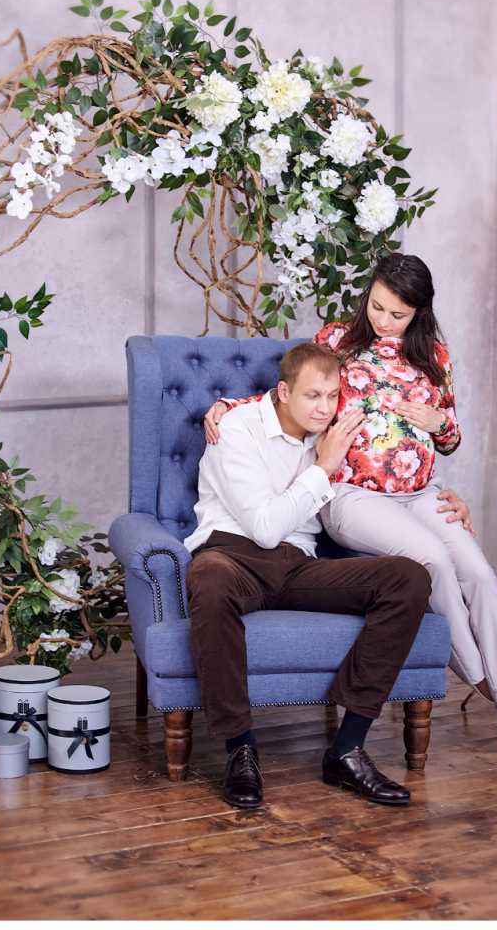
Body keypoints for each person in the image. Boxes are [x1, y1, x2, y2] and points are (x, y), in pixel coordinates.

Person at [205, 253, 497, 761]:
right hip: (352, 494)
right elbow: (297, 398)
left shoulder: (435, 356)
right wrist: (227, 407)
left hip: (420, 493)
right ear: (367, 296)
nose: (384, 321)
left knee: (480, 574)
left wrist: (439, 423)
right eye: (377, 307)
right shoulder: (337, 341)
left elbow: (450, 439)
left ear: (419, 312)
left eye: (398, 314)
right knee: (432, 560)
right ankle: (490, 689)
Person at [185, 342, 432, 810]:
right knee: (210, 580)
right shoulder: (236, 428)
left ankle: (346, 750)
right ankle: (240, 748)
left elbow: (397, 476)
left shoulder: (336, 432)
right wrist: (323, 467)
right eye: (312, 396)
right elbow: (263, 529)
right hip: (233, 555)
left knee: (408, 578)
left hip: (298, 564)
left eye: (332, 396)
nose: (324, 408)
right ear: (283, 392)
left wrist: (443, 500)